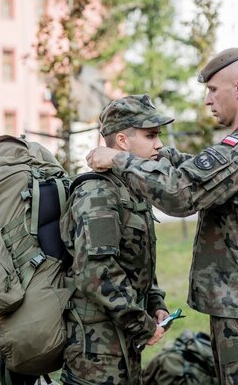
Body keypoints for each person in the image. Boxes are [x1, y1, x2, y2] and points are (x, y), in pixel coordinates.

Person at [86, 48, 238, 384]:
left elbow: (179, 194)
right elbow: (204, 173)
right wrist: (162, 153)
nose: (207, 101)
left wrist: (119, 159)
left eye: (213, 90)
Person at [60, 94, 173, 385]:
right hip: (97, 352)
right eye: (151, 136)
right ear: (122, 141)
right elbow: (96, 272)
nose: (158, 145)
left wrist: (154, 301)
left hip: (122, 341)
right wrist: (141, 324)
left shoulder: (129, 188)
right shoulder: (99, 194)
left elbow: (137, 257)